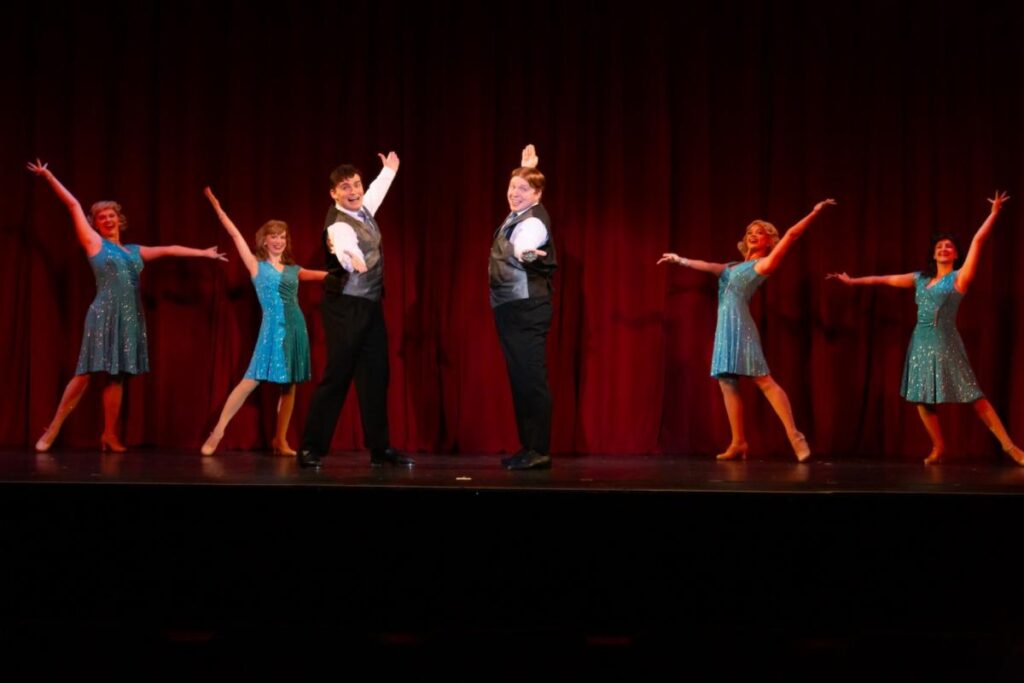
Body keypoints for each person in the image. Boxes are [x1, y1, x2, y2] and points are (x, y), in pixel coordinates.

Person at [28, 159, 227, 452]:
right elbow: (72, 205)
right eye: (101, 217)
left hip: (131, 317)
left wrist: (204, 253)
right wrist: (48, 175)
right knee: (85, 373)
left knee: (117, 376)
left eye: (111, 216)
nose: (107, 220)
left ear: (119, 220)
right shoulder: (94, 243)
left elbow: (170, 249)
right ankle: (53, 428)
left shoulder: (134, 252)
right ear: (95, 224)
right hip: (103, 314)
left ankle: (109, 434)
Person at [828, 191, 1024, 465]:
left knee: (974, 396)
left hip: (945, 340)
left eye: (949, 247)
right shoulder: (919, 278)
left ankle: (1010, 447)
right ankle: (938, 446)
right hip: (920, 341)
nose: (944, 249)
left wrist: (993, 214)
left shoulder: (960, 278)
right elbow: (884, 280)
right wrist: (853, 282)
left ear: (956, 254)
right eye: (940, 247)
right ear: (934, 253)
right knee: (921, 397)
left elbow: (978, 241)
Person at [659, 199, 836, 462]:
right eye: (750, 232)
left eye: (759, 232)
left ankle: (795, 436)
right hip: (724, 328)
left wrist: (814, 212)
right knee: (727, 382)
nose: (753, 235)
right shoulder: (731, 267)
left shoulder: (764, 264)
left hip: (740, 325)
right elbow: (707, 266)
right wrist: (680, 259)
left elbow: (792, 234)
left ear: (768, 242)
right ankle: (739, 442)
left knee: (763, 380)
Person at [199, 187, 357, 456]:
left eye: (282, 237)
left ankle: (280, 440)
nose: (279, 241)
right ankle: (218, 431)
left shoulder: (294, 270)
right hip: (272, 330)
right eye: (274, 236)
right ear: (264, 240)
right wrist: (218, 208)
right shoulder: (255, 266)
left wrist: (348, 267)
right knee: (250, 380)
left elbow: (324, 276)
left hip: (296, 328)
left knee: (290, 384)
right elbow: (235, 234)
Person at [296, 152, 414, 469]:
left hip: (370, 305)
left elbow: (375, 194)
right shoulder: (338, 224)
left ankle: (380, 449)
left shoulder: (363, 211)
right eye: (345, 187)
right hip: (345, 306)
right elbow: (343, 244)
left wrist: (388, 171)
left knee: (376, 376)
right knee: (338, 376)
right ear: (334, 193)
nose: (354, 191)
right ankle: (310, 448)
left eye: (357, 185)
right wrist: (351, 258)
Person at [489, 144, 557, 470]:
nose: (514, 193)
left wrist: (527, 253)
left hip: (527, 307)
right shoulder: (518, 214)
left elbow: (523, 245)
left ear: (538, 194)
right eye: (512, 186)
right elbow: (518, 219)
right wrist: (525, 168)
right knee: (520, 379)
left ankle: (539, 449)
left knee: (530, 379)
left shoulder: (534, 222)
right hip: (512, 308)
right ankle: (528, 446)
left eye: (523, 189)